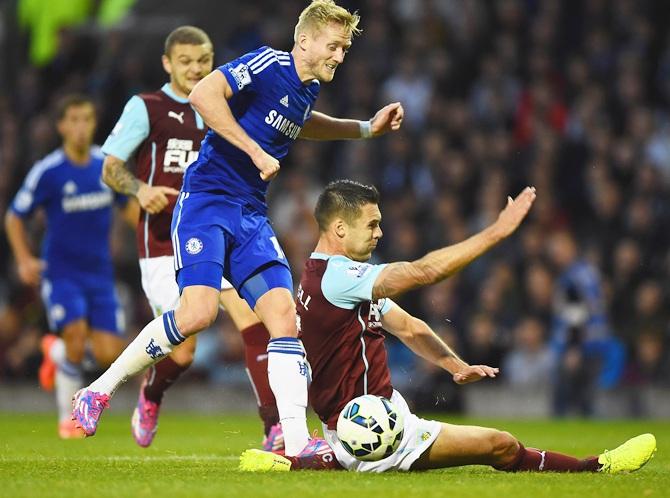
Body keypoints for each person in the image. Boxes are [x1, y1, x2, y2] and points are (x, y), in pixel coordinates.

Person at [72, 0, 404, 458]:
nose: (339, 56)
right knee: (197, 316)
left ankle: (295, 442)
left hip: (249, 213)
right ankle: (98, 390)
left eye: (344, 49)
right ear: (304, 40)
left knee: (284, 317)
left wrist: (366, 129)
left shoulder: (307, 90)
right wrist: (253, 151)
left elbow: (303, 124)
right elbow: (203, 96)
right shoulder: (268, 63)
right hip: (206, 202)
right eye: (334, 46)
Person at [239, 180, 656, 473]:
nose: (380, 233)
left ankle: (321, 459)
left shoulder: (328, 276)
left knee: (496, 443)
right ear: (340, 228)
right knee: (501, 444)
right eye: (372, 224)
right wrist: (495, 234)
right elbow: (422, 272)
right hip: (373, 431)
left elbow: (409, 327)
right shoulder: (341, 277)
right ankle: (598, 468)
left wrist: (454, 364)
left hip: (359, 421)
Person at [98, 25, 283, 449]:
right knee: (183, 351)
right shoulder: (147, 107)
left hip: (217, 229)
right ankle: (151, 393)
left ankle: (273, 426)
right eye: (185, 62)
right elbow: (110, 166)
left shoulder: (225, 105)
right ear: (167, 63)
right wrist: (139, 189)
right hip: (164, 243)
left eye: (203, 61)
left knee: (254, 318)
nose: (195, 69)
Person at [5, 95, 131, 438]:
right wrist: (24, 259)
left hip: (101, 275)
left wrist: (158, 239)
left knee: (108, 354)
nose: (80, 127)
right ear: (61, 125)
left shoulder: (105, 166)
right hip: (62, 274)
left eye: (86, 119)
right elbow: (15, 216)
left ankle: (55, 350)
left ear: (94, 124)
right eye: (73, 120)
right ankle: (68, 419)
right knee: (76, 337)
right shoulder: (49, 171)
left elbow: (129, 208)